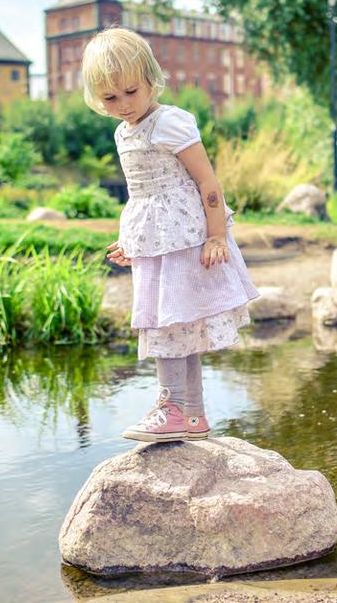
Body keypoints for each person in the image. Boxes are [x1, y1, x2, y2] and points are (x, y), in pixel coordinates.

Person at [81, 27, 259, 443]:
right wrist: (132, 245)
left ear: (150, 79)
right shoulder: (123, 132)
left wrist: (216, 236)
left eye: (130, 91)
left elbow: (207, 182)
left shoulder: (170, 122)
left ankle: (173, 407)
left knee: (169, 328)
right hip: (157, 243)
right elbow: (142, 194)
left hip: (187, 240)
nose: (123, 105)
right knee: (176, 326)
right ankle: (193, 416)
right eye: (110, 98)